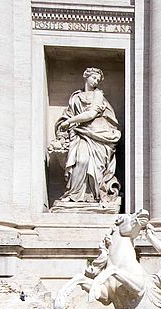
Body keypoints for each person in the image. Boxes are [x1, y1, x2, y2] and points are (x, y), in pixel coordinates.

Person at [51, 67, 122, 210]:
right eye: (93, 78)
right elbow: (68, 114)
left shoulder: (98, 95)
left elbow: (90, 115)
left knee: (94, 167)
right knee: (80, 161)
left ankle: (93, 196)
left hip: (98, 135)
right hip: (79, 134)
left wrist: (69, 122)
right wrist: (64, 124)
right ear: (86, 77)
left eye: (98, 79)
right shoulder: (76, 97)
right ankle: (75, 195)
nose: (95, 81)